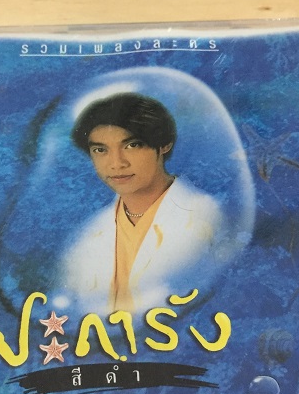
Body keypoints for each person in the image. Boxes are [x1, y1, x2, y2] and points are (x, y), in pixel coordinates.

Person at [62, 92, 223, 314]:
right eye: (100, 150)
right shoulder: (88, 236)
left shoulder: (207, 215)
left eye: (132, 145)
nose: (116, 163)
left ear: (164, 145)